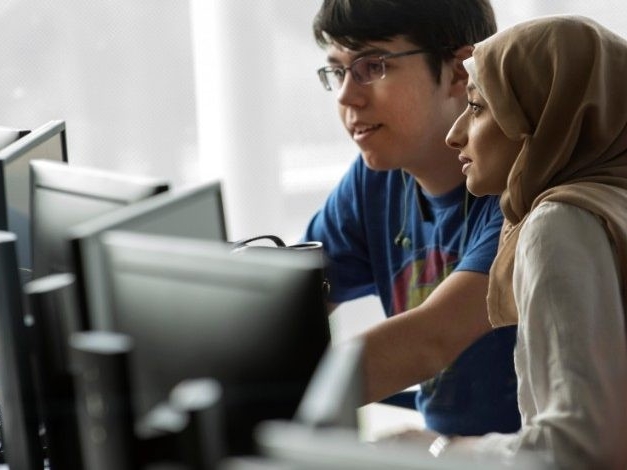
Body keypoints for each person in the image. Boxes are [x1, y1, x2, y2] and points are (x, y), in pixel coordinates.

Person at [301, 0, 520, 437]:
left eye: (372, 66)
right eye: (338, 71)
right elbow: (295, 295)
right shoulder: (374, 181)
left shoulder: (520, 188)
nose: (347, 95)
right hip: (451, 450)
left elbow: (430, 339)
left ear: (461, 71)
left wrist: (278, 391)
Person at [439, 15, 627, 468]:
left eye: (478, 106)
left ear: (546, 114)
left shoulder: (560, 222)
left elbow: (582, 445)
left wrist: (443, 451)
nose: (455, 134)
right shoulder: (611, 203)